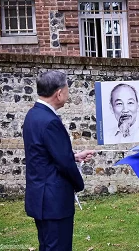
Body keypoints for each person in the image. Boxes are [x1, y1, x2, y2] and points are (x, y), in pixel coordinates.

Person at [23, 71, 95, 251]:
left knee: (47, 246)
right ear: (59, 93)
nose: (68, 94)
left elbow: (45, 154)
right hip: (53, 201)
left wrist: (73, 156)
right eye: (67, 89)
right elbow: (64, 163)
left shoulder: (33, 115)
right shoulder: (50, 121)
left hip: (40, 197)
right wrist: (79, 184)